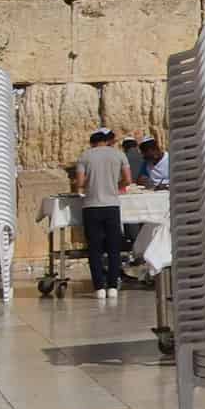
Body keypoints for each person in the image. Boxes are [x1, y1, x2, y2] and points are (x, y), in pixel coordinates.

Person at [73, 128, 130, 299]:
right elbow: (128, 180)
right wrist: (114, 185)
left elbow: (80, 182)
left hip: (91, 206)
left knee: (95, 249)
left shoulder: (85, 156)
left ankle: (99, 287)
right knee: (114, 248)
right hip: (112, 205)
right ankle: (113, 286)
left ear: (92, 142)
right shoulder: (119, 155)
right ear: (106, 140)